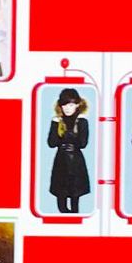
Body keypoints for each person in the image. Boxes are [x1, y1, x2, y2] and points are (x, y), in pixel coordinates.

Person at [46, 87, 91, 215]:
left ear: (77, 105)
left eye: (71, 105)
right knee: (61, 199)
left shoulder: (82, 121)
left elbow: (83, 143)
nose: (67, 108)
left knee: (75, 198)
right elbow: (51, 143)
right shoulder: (57, 120)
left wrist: (70, 135)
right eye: (64, 105)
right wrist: (55, 124)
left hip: (76, 163)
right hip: (60, 163)